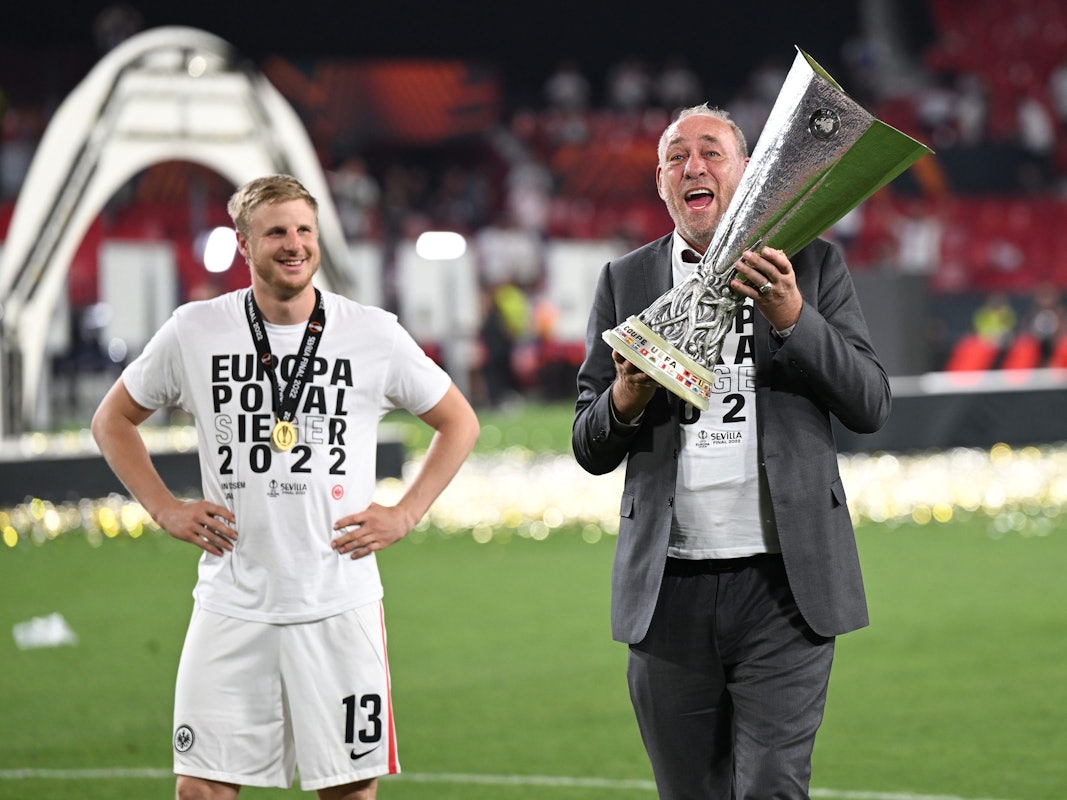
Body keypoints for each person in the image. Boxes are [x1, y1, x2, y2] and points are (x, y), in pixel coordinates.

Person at [91, 174, 480, 800]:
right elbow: (112, 420)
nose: (294, 244)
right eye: (276, 232)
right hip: (231, 602)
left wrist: (405, 514)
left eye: (304, 230)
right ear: (245, 244)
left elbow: (458, 421)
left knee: (348, 793)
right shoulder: (195, 330)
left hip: (338, 602)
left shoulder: (371, 332)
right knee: (200, 791)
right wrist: (164, 509)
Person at [571, 104, 891, 798]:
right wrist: (623, 400)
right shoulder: (624, 281)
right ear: (659, 182)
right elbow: (587, 443)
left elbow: (868, 402)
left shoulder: (809, 262)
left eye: (711, 152)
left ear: (747, 173)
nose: (694, 165)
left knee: (772, 786)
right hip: (669, 590)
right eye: (676, 156)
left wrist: (793, 318)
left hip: (784, 586)